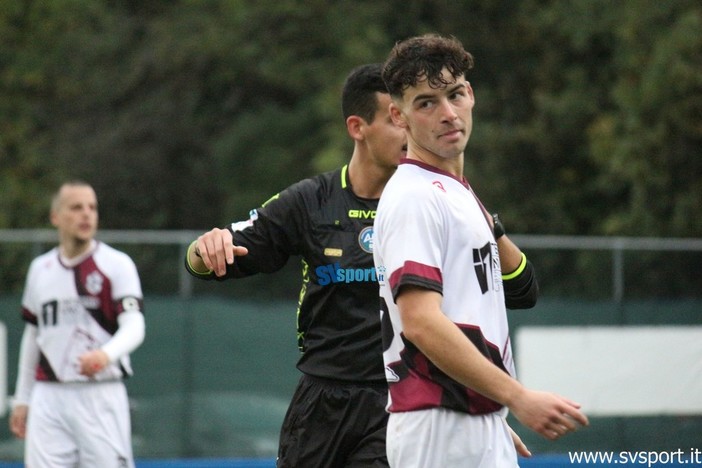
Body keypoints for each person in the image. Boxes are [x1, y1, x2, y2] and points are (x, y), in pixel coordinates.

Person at [373, 34, 589, 468]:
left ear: (470, 94)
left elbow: (521, 290)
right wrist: (518, 396)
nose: (448, 113)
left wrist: (489, 408)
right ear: (399, 116)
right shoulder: (415, 196)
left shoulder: (458, 193)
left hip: (469, 420)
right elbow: (419, 322)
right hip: (439, 427)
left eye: (454, 94)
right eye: (426, 103)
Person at [185, 63, 406, 468]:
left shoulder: (427, 205)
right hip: (321, 404)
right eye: (395, 120)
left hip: (396, 400)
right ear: (358, 127)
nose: (409, 132)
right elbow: (210, 259)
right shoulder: (311, 201)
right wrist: (204, 249)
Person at [9, 180, 145, 468]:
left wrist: (105, 354)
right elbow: (34, 334)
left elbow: (135, 326)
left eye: (92, 207)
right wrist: (22, 398)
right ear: (55, 216)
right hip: (49, 397)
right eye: (76, 207)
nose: (86, 214)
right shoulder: (40, 270)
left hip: (100, 394)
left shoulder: (117, 265)